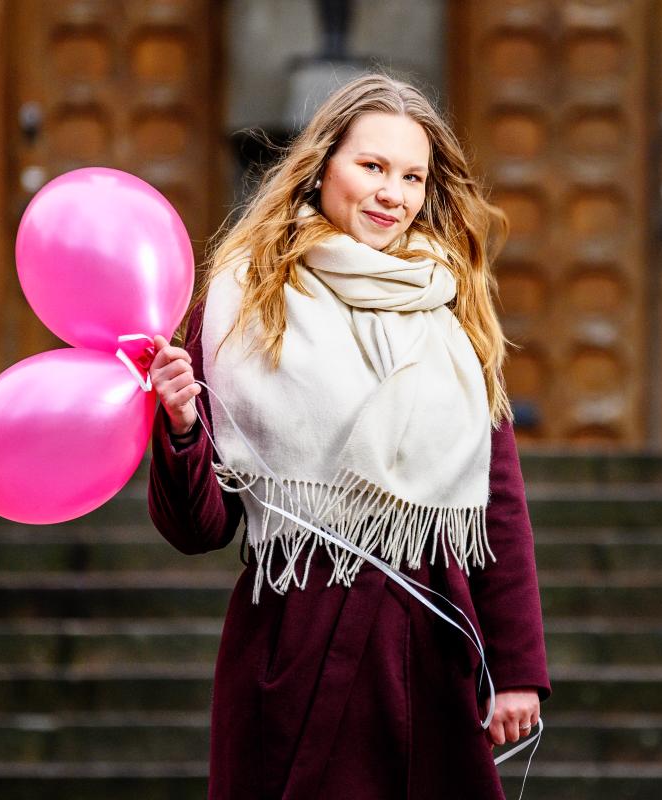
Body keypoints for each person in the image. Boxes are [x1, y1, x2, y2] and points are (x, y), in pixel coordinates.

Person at [147, 74, 550, 799]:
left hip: (431, 646)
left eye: (412, 176)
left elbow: (499, 501)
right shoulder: (244, 303)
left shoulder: (454, 318)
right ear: (322, 165)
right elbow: (201, 527)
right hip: (293, 650)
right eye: (371, 166)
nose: (391, 193)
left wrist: (517, 668)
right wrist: (180, 431)